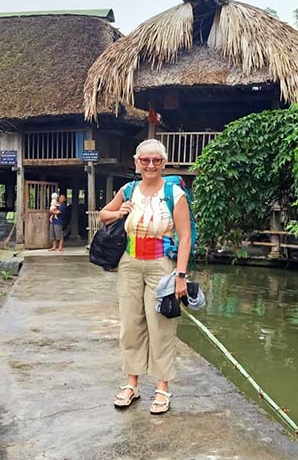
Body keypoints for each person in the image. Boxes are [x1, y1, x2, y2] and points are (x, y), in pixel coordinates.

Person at [99, 139, 191, 415]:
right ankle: (132, 383)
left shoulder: (174, 194)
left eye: (156, 161)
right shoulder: (128, 190)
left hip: (161, 265)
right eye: (145, 160)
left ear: (163, 163)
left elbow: (185, 237)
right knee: (130, 324)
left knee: (160, 326)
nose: (150, 165)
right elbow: (104, 215)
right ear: (136, 162)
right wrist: (119, 211)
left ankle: (162, 387)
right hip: (130, 262)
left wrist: (181, 275)